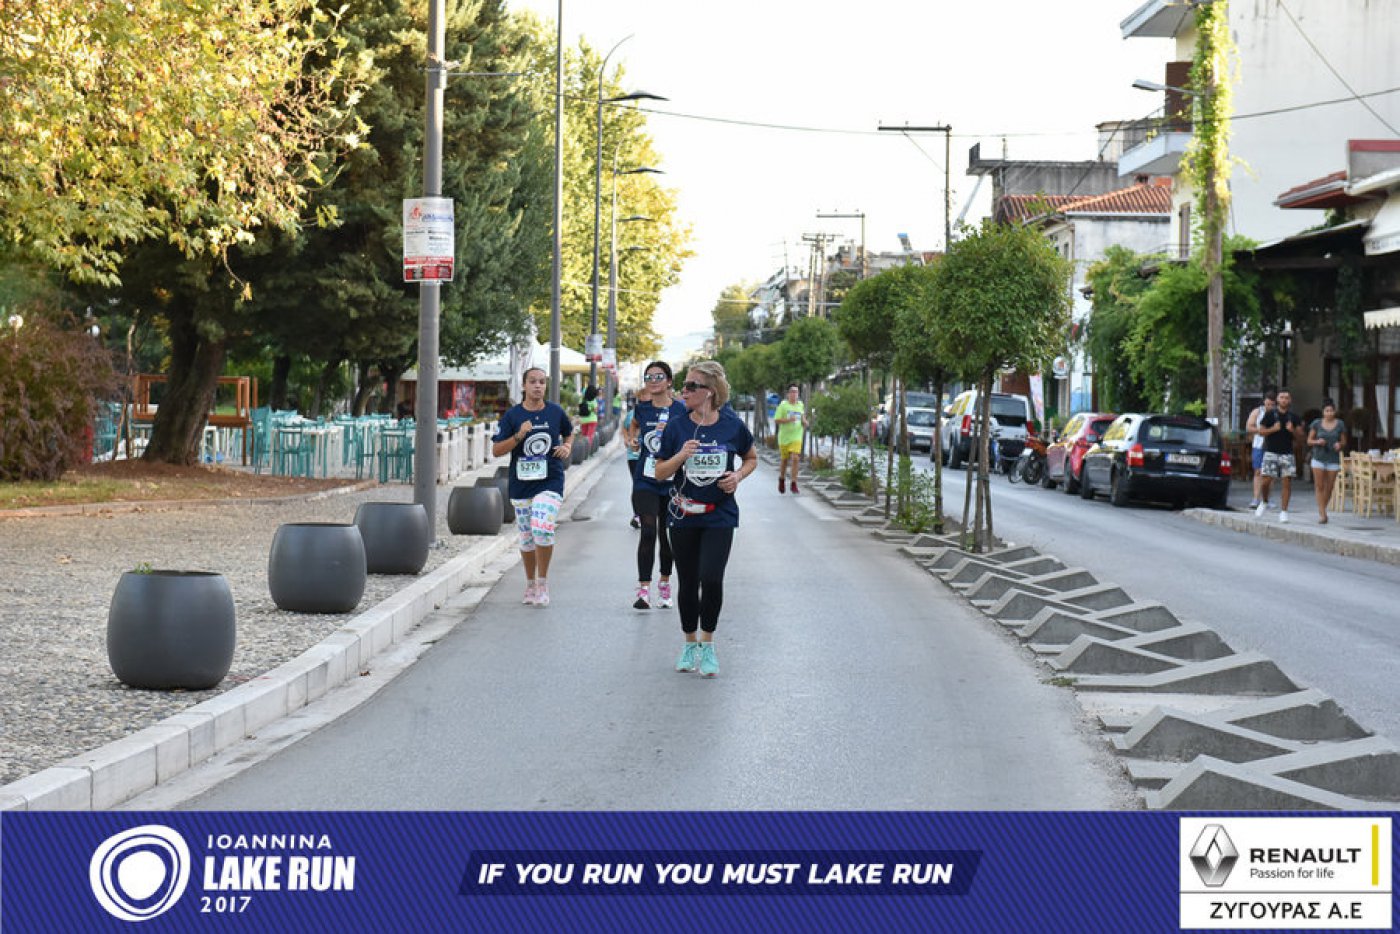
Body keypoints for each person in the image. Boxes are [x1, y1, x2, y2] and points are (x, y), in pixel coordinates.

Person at [654, 360, 757, 678]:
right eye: (683, 385)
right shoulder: (676, 427)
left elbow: (751, 457)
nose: (683, 391)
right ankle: (689, 643)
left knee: (711, 579)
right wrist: (681, 455)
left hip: (720, 515)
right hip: (684, 514)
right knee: (687, 581)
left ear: (709, 391)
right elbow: (659, 473)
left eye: (690, 386)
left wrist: (737, 476)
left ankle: (708, 644)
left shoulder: (731, 425)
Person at [491, 367, 574, 606]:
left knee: (543, 527)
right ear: (524, 385)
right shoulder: (513, 415)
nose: (538, 386)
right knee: (527, 537)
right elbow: (496, 450)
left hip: (550, 480)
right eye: (533, 381)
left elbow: (569, 433)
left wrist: (567, 446)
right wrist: (519, 435)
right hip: (522, 484)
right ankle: (530, 584)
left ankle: (543, 582)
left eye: (542, 382)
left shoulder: (555, 412)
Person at [624, 360, 688, 610]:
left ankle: (664, 583)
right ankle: (643, 590)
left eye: (659, 376)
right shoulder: (642, 409)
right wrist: (633, 440)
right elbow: (633, 427)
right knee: (648, 530)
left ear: (669, 381)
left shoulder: (681, 410)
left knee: (666, 534)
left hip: (671, 479)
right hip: (645, 478)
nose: (653, 381)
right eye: (649, 377)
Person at [1255, 388, 1305, 523]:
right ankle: (1264, 501)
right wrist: (1273, 429)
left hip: (1287, 453)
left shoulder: (1294, 417)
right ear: (1277, 399)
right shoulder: (1270, 414)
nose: (1284, 400)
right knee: (1266, 481)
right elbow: (1261, 432)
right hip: (1271, 451)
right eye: (1282, 397)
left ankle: (1284, 511)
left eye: (1286, 398)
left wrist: (1292, 430)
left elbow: (1301, 438)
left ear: (1290, 400)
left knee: (1287, 482)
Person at [1307, 398, 1348, 525]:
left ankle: (1322, 508)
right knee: (1319, 486)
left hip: (1333, 459)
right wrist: (1317, 442)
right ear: (1323, 412)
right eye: (1327, 411)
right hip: (1318, 458)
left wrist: (1340, 445)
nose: (1329, 413)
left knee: (1329, 487)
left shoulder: (1340, 424)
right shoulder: (1317, 423)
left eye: (1331, 411)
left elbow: (1344, 441)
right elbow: (1309, 441)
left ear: (1335, 411)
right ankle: (1323, 514)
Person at [1245, 390, 1276, 509]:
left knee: (1270, 473)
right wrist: (1262, 431)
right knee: (1258, 471)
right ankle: (1256, 498)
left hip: (1273, 446)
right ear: (1264, 402)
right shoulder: (1257, 412)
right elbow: (1249, 427)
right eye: (1268, 404)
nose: (1270, 406)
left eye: (1272, 404)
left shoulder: (1277, 413)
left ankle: (1267, 499)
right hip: (1259, 445)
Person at [774, 383, 807, 494]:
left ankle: (794, 483)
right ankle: (782, 479)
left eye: (796, 392)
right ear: (788, 394)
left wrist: (805, 422)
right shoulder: (783, 406)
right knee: (784, 460)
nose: (794, 394)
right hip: (784, 437)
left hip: (796, 436)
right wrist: (788, 420)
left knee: (795, 458)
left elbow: (802, 418)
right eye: (792, 392)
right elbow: (776, 420)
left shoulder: (800, 405)